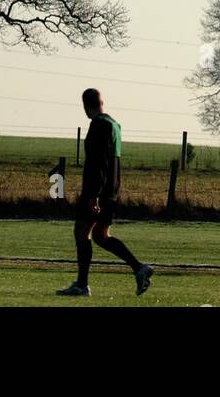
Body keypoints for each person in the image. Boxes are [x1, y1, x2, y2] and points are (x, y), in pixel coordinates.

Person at [56, 89, 153, 297]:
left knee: (81, 231)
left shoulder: (98, 125)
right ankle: (139, 268)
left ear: (85, 105)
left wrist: (93, 195)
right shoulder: (115, 125)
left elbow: (98, 163)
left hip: (97, 191)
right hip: (112, 190)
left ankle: (82, 285)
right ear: (102, 102)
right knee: (101, 235)